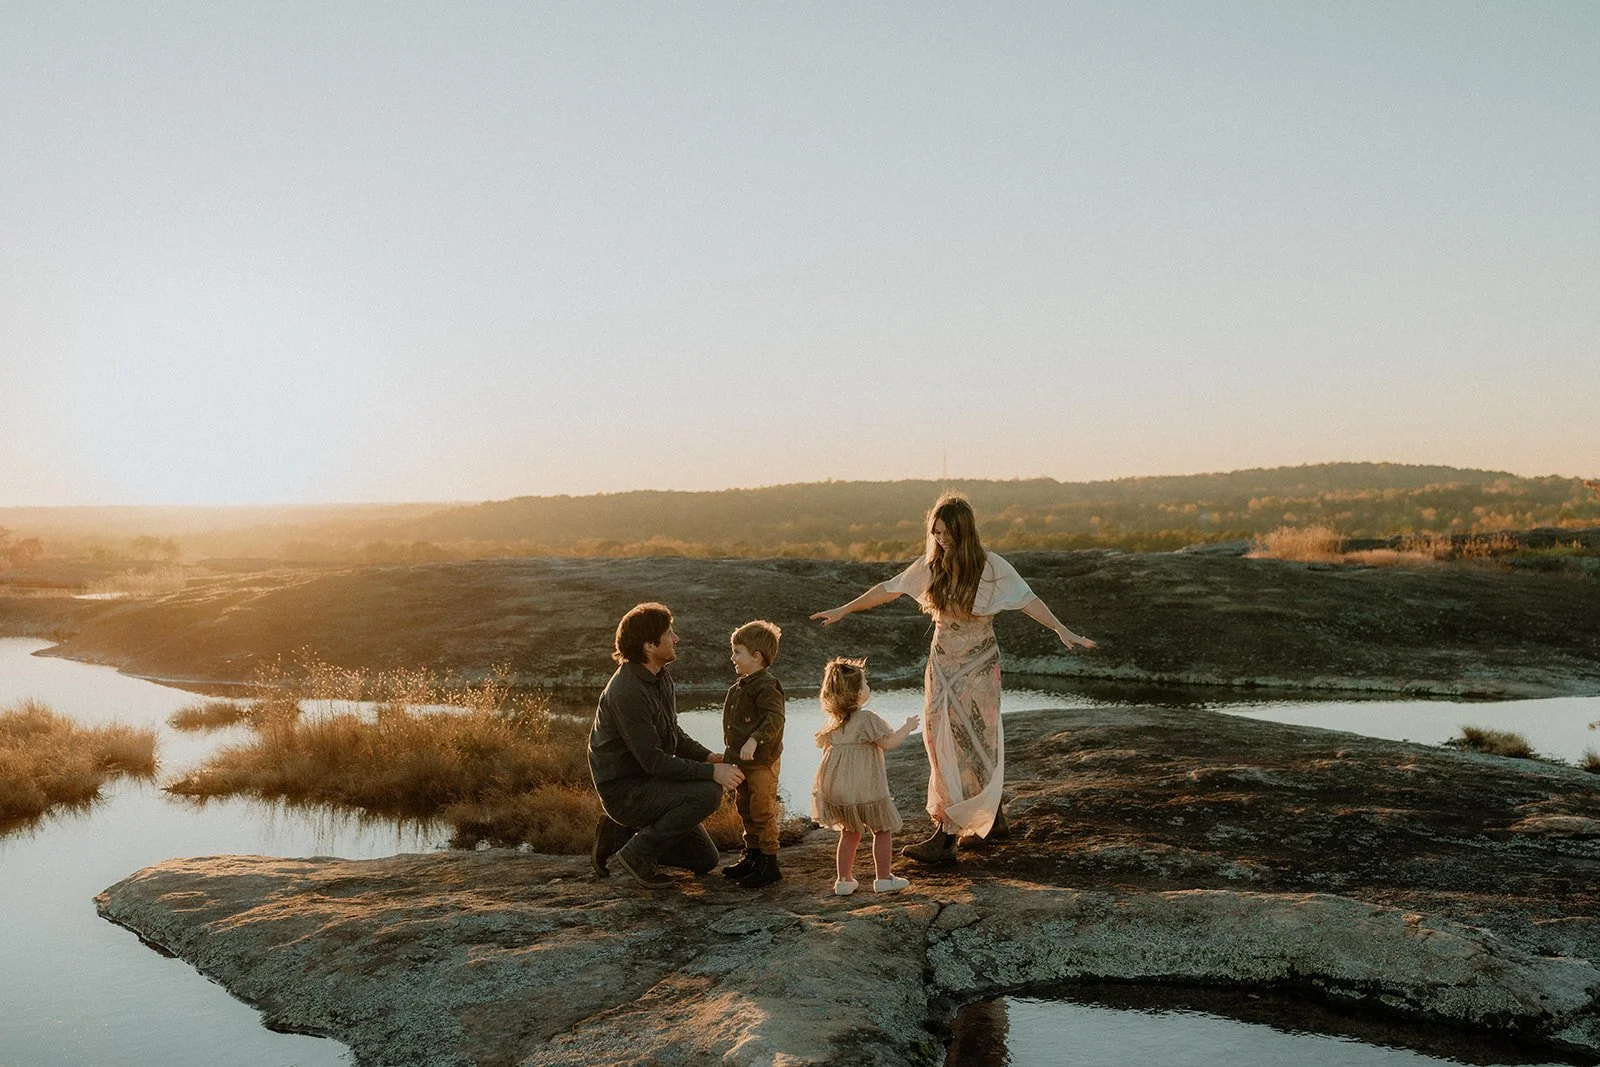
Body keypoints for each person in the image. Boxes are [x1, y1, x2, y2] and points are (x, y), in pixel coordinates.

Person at [810, 493, 1095, 866]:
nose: (940, 540)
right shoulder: (933, 566)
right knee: (939, 740)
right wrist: (844, 609)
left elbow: (1027, 599)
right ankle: (969, 824)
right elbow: (889, 588)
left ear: (963, 531)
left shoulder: (991, 567)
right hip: (942, 668)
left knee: (978, 741)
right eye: (935, 532)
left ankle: (960, 832)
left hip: (978, 669)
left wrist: (1061, 629)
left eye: (945, 533)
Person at [588, 602, 745, 889]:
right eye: (669, 633)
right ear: (649, 645)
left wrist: (710, 757)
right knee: (708, 792)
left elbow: (673, 734)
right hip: (626, 793)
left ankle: (617, 835)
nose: (676, 639)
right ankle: (636, 855)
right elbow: (654, 761)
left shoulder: (660, 676)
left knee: (705, 861)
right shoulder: (627, 691)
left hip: (651, 785)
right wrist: (712, 774)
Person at [811, 657, 919, 895]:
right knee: (881, 830)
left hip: (838, 787)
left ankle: (843, 880)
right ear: (858, 693)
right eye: (866, 683)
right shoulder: (867, 718)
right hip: (865, 786)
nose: (868, 687)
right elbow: (888, 743)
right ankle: (883, 878)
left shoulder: (834, 723)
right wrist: (908, 727)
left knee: (849, 832)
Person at [718, 619, 787, 889]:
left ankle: (770, 864)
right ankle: (753, 856)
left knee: (762, 811)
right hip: (741, 761)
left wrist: (754, 740)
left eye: (738, 652)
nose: (732, 657)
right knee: (744, 808)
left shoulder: (767, 685)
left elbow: (775, 718)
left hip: (761, 762)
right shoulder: (739, 687)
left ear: (757, 656)